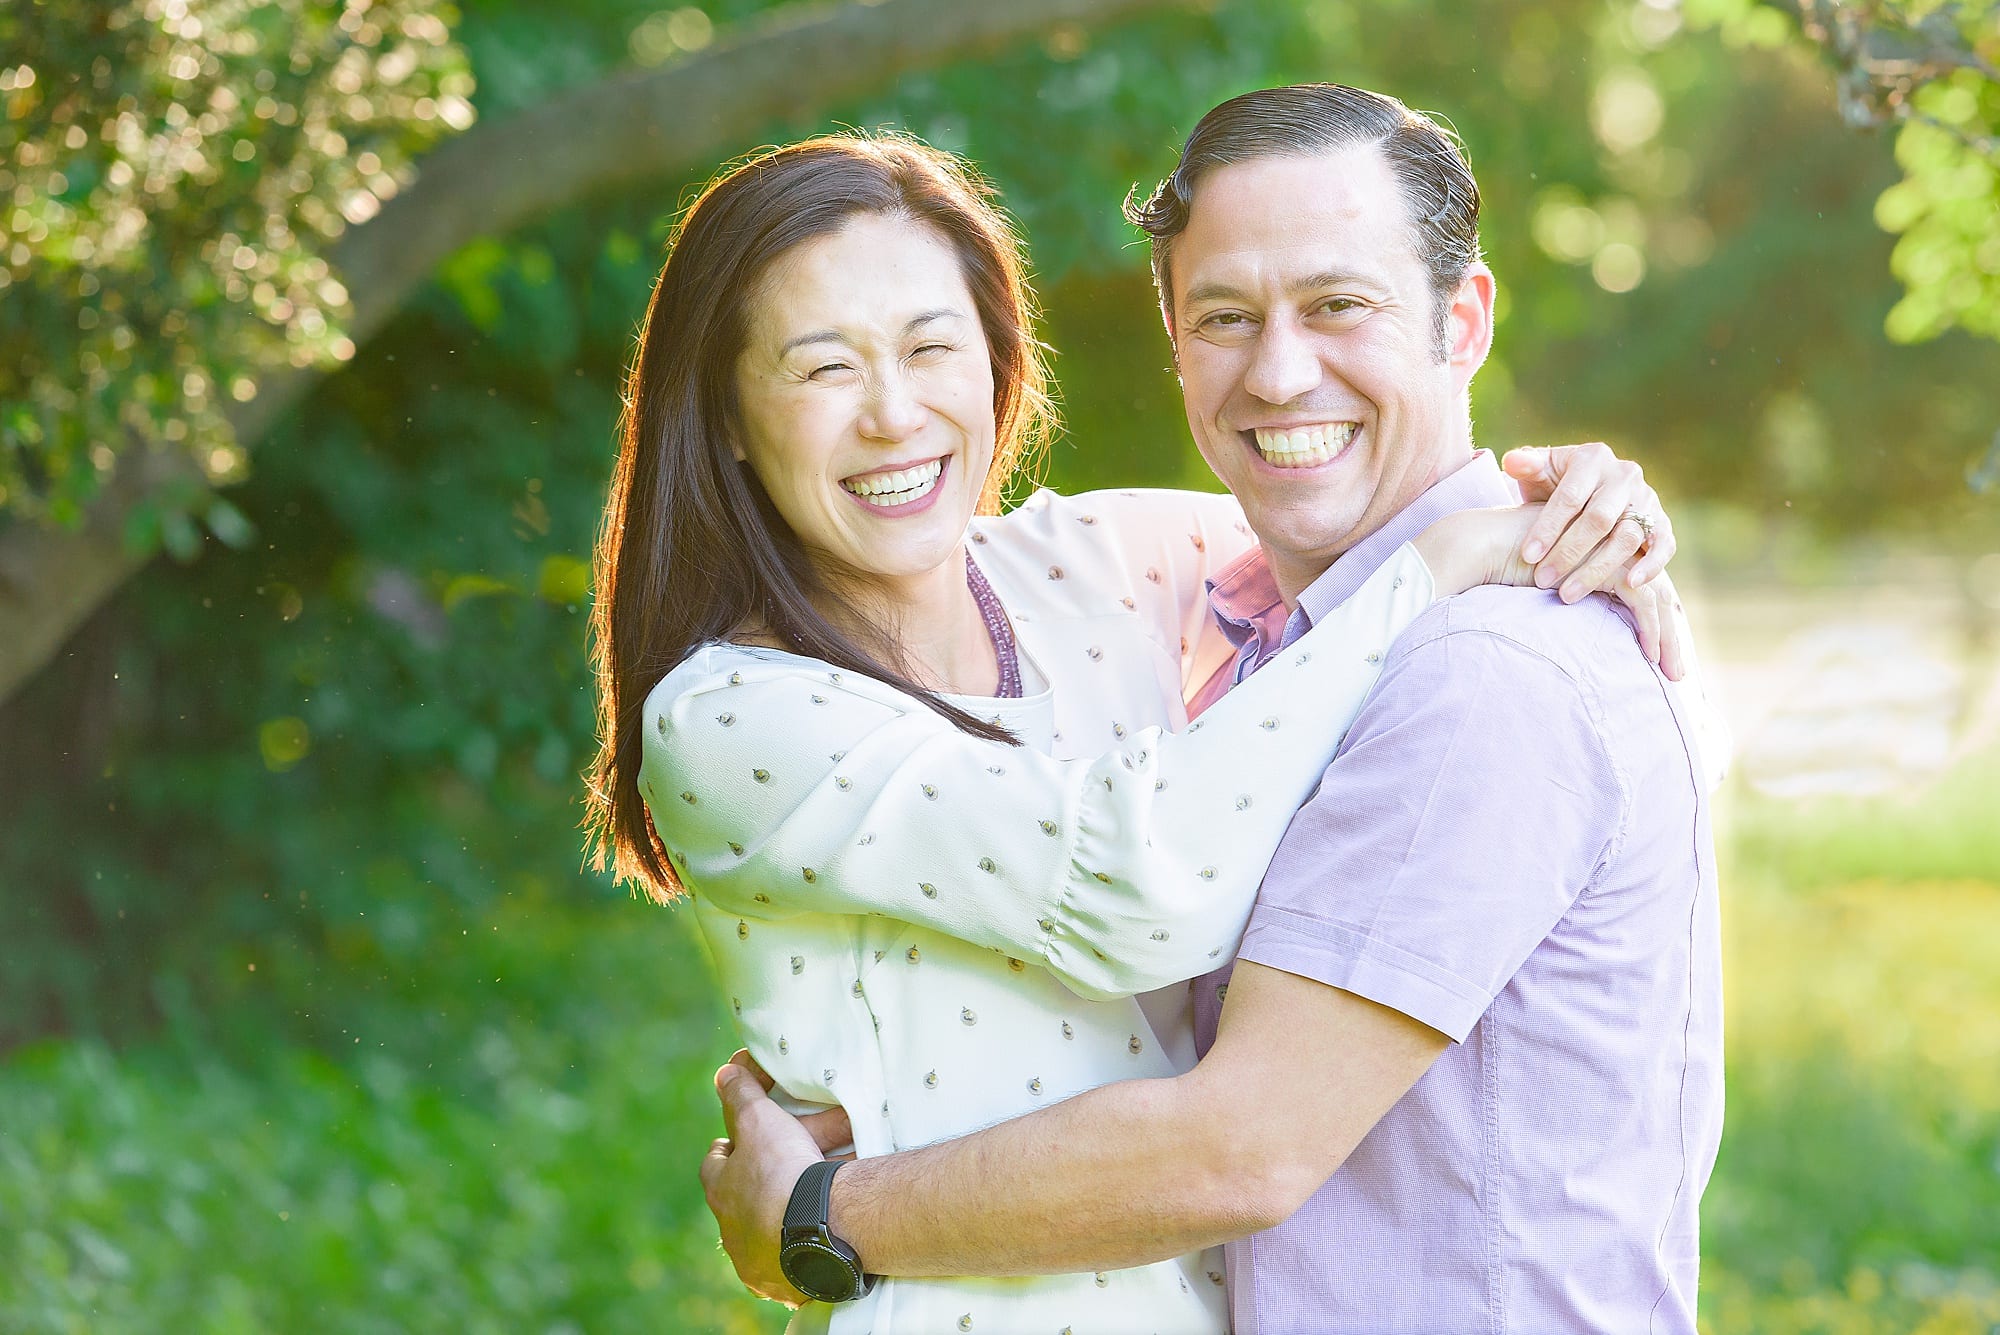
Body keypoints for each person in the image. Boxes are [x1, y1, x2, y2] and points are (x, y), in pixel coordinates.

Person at [588, 130, 1686, 1334]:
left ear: (995, 361)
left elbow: (1335, 516)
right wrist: (1445, 562)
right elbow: (1134, 878)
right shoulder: (729, 715)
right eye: (822, 369)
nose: (894, 413)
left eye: (930, 347)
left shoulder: (1097, 562)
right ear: (729, 416)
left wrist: (1576, 509)